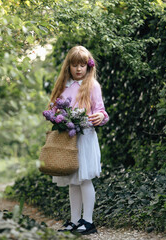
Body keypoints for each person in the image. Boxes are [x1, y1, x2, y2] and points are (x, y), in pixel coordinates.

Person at [48, 46, 109, 235]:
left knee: (84, 179)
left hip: (85, 138)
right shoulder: (64, 85)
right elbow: (53, 108)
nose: (78, 69)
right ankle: (75, 221)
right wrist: (54, 116)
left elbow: (101, 111)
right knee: (72, 181)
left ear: (88, 67)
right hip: (67, 139)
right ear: (68, 66)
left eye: (82, 65)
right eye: (74, 65)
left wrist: (100, 116)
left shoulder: (92, 86)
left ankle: (88, 221)